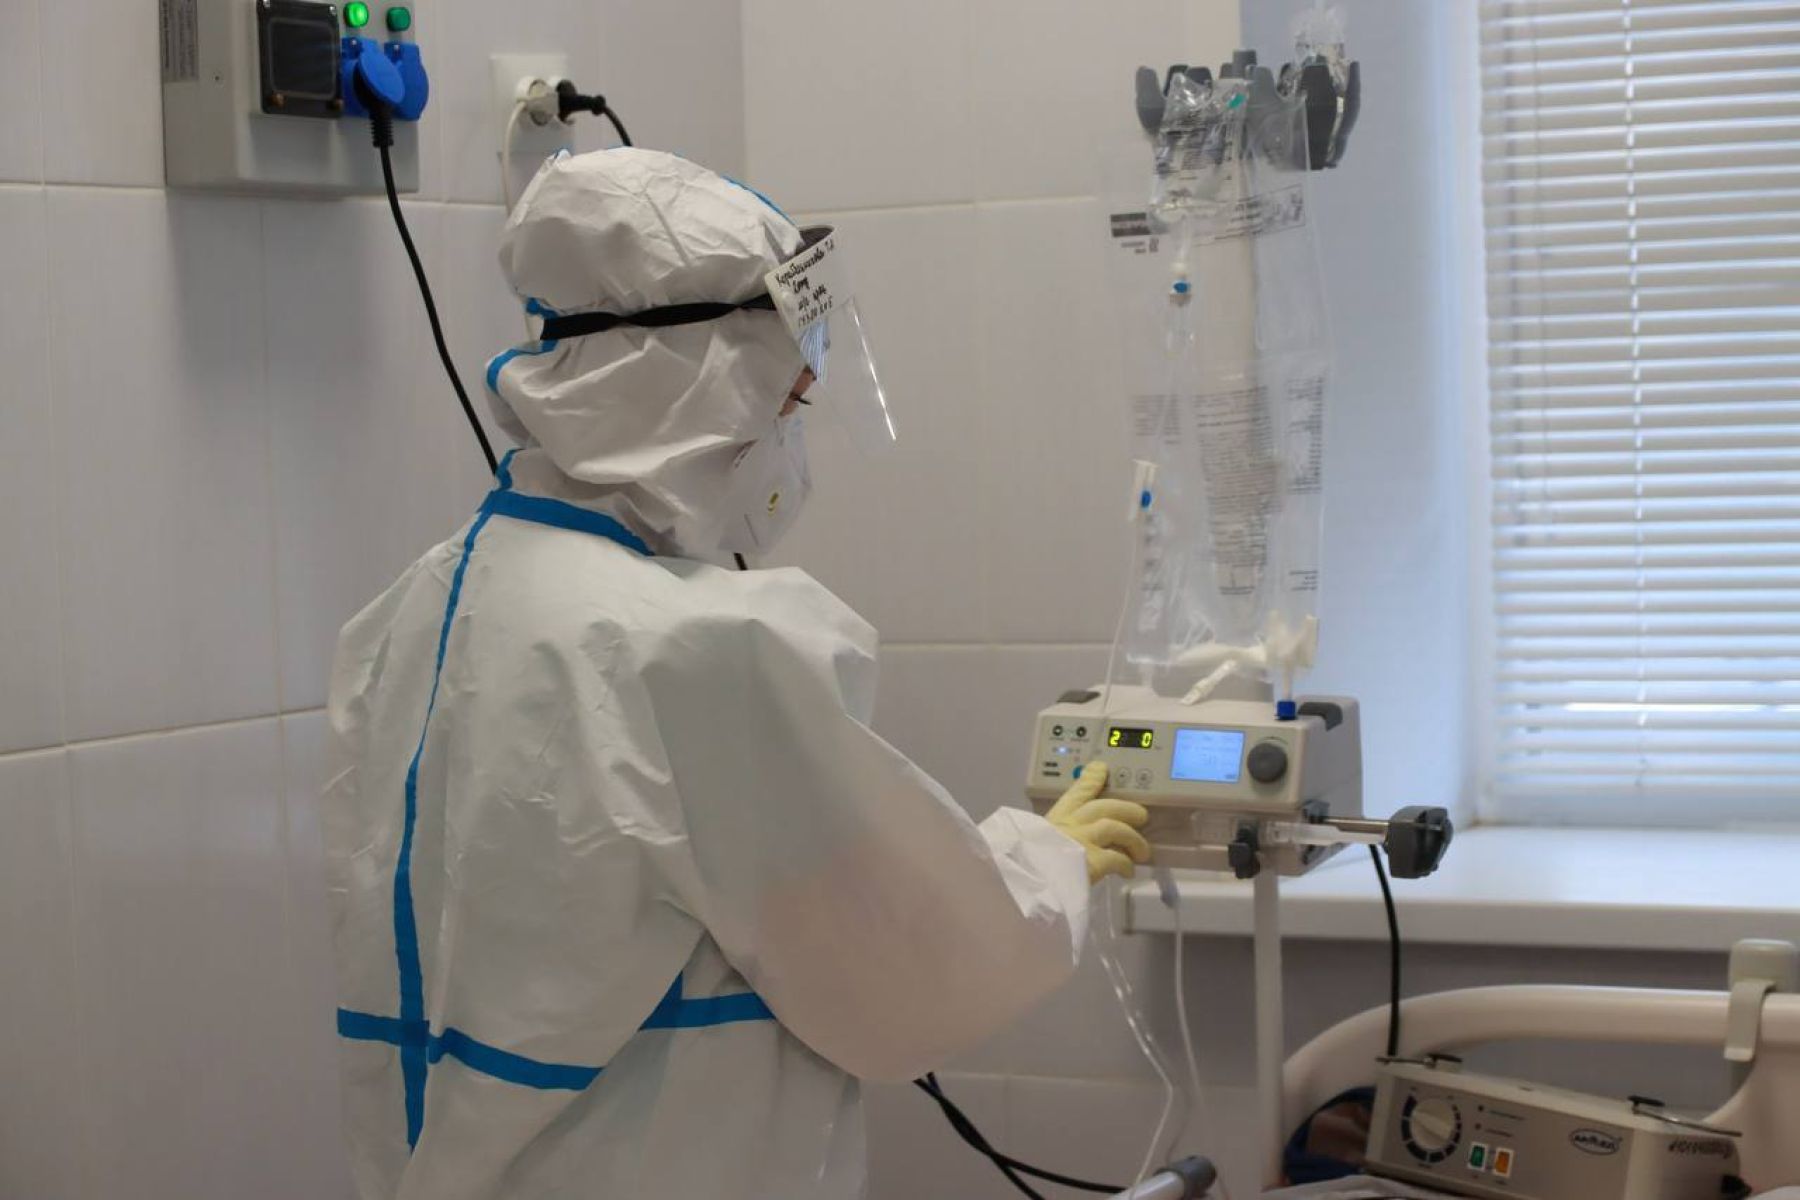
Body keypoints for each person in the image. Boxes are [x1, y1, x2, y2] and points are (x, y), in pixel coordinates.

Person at [322, 146, 1151, 1200]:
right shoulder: (688, 649)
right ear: (695, 383)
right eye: (786, 401)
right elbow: (905, 974)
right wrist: (1046, 864)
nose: (788, 438)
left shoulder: (409, 616)